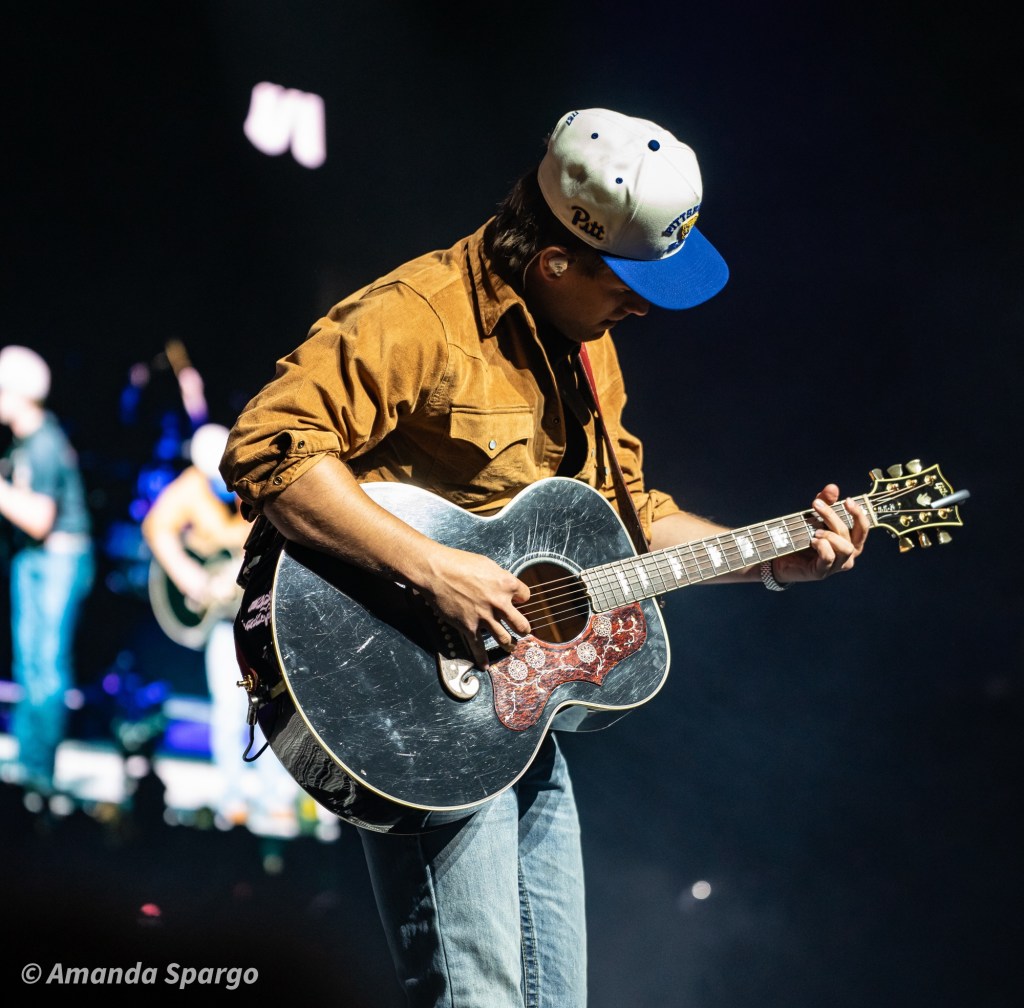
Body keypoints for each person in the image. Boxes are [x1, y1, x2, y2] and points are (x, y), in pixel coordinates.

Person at [220, 108, 871, 1007]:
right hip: (401, 688)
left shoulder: (590, 349)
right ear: (556, 262)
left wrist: (770, 559)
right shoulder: (420, 316)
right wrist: (434, 567)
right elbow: (267, 450)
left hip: (511, 708)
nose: (643, 306)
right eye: (628, 283)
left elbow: (630, 522)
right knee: (480, 996)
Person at [141, 422, 302, 852]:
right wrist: (190, 577)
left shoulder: (261, 479)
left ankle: (276, 797)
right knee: (229, 710)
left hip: (262, 616)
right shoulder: (192, 486)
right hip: (221, 618)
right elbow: (157, 528)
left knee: (271, 703)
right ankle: (233, 799)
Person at [0, 344, 95, 802]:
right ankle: (27, 761)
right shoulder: (26, 440)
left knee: (46, 667)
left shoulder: (44, 442)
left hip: (57, 561)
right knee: (29, 665)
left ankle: (39, 770)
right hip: (35, 560)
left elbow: (39, 518)